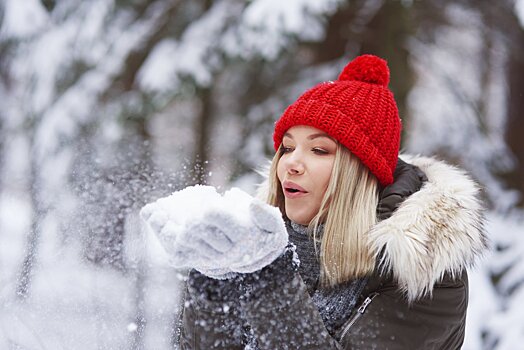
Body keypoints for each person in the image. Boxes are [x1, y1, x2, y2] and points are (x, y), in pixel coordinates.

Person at [141, 54, 488, 349]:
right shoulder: (262, 243)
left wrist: (269, 280)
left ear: (359, 173)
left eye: (320, 149)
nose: (290, 163)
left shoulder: (424, 272)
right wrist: (214, 281)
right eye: (287, 147)